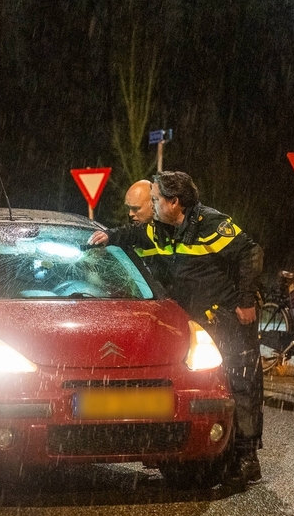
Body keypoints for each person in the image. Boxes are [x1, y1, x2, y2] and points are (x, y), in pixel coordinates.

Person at [88, 171, 265, 483]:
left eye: (156, 200)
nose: (152, 205)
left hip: (229, 319)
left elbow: (251, 253)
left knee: (240, 386)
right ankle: (211, 455)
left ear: (174, 202)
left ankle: (246, 457)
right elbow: (134, 235)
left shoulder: (210, 224)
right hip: (195, 323)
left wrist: (246, 300)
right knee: (208, 387)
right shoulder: (160, 230)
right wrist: (110, 237)